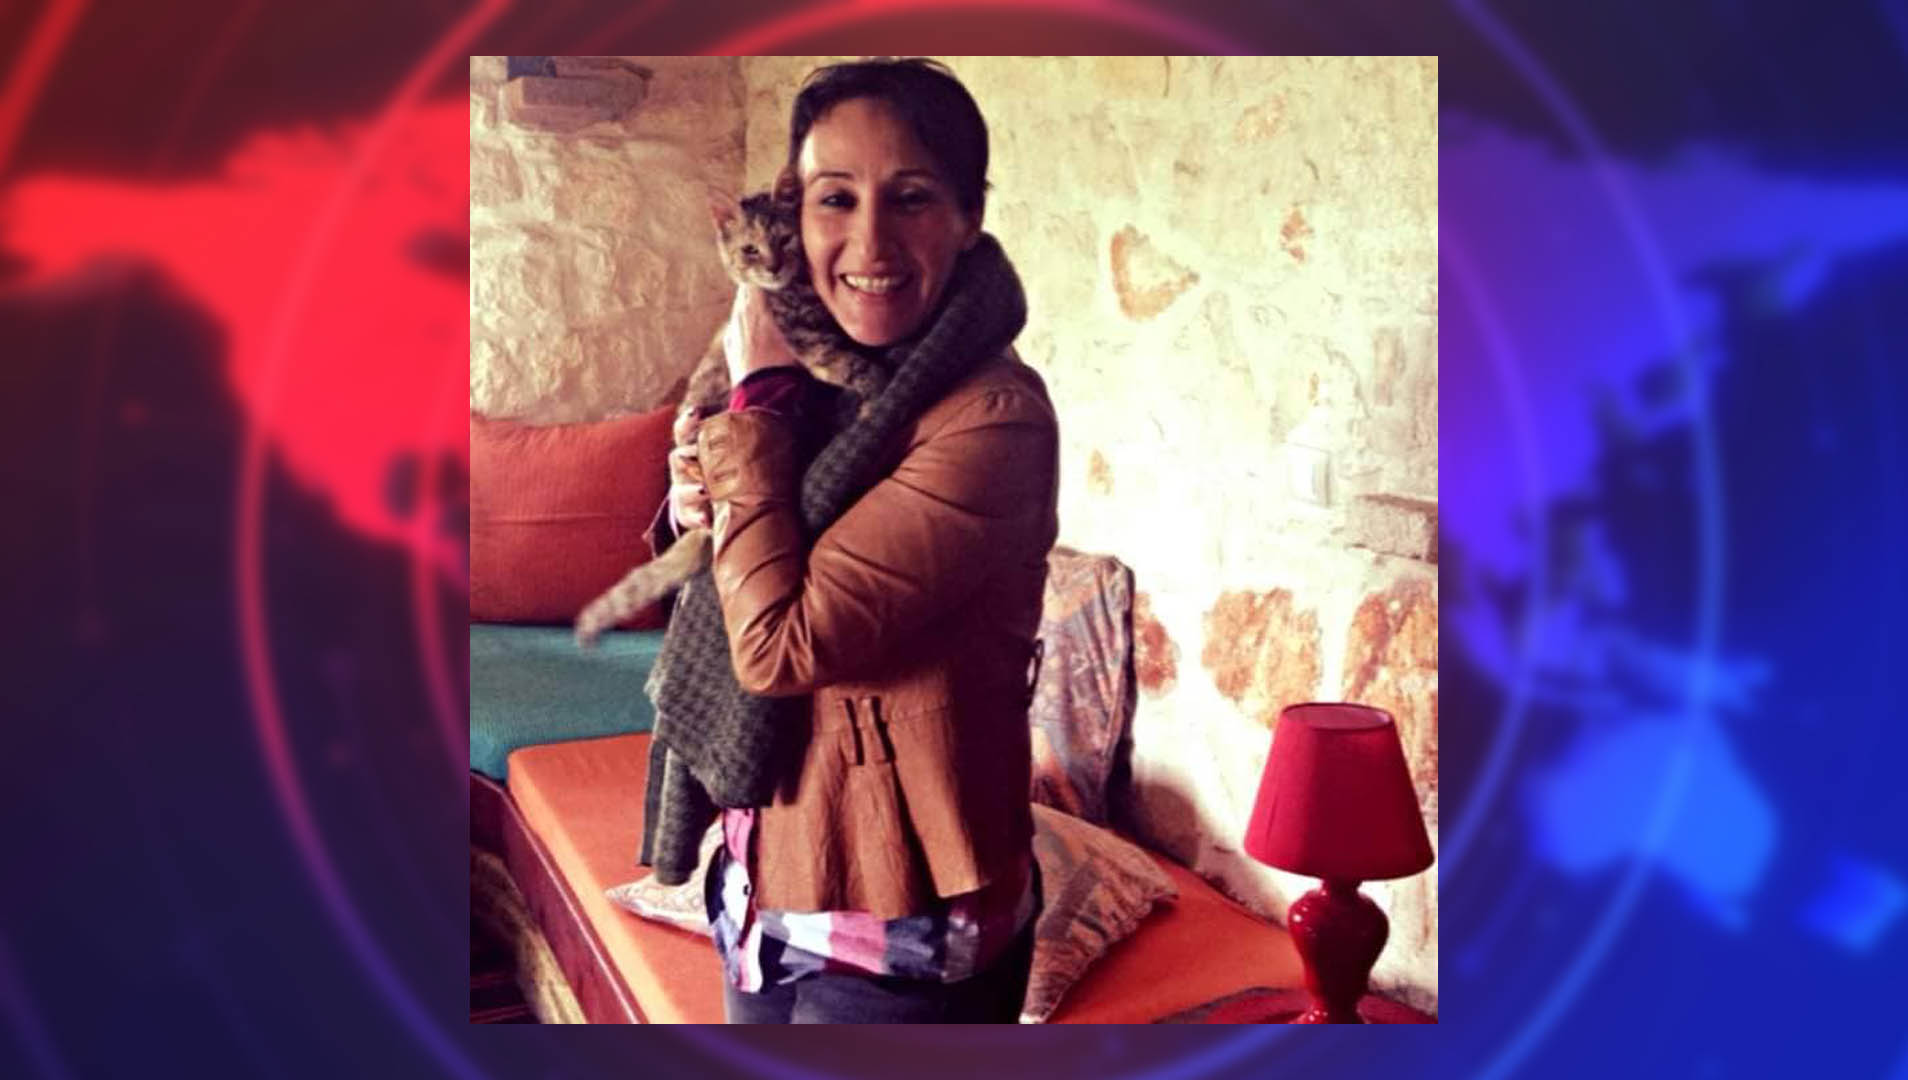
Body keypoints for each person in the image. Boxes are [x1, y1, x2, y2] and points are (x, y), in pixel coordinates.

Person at [646, 58, 1059, 1024]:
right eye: (836, 198)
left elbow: (776, 645)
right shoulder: (815, 375)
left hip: (897, 928)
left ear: (968, 217)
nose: (869, 242)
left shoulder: (992, 420)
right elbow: (732, 558)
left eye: (911, 198)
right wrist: (695, 499)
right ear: (796, 212)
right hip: (761, 885)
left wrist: (755, 407)